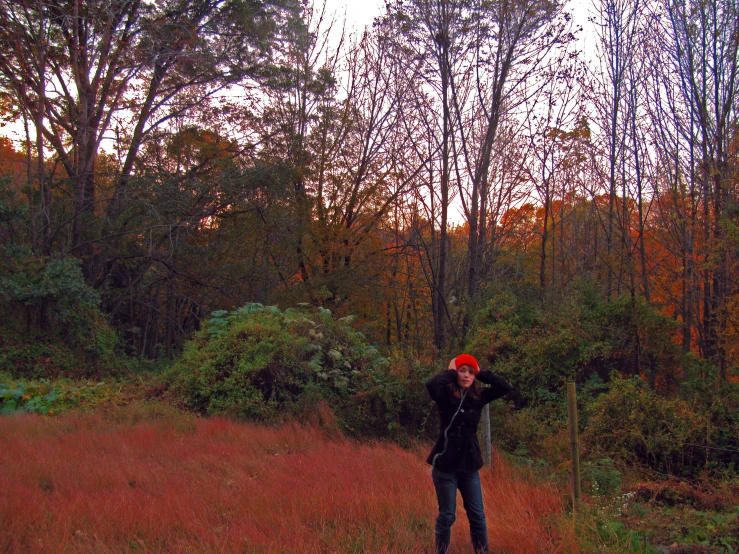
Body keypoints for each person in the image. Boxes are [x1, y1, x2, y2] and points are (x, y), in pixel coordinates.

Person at [425, 354, 512, 554]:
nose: (466, 375)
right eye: (463, 371)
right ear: (456, 373)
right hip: (445, 465)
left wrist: (481, 372)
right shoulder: (445, 396)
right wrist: (451, 371)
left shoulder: (478, 397)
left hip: (469, 466)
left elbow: (504, 387)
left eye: (470, 372)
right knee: (447, 516)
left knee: (477, 516)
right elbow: (431, 384)